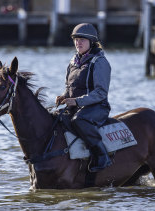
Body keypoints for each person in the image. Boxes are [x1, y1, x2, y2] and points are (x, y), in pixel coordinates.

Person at [55, 23, 112, 172]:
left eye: (82, 40)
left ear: (91, 42)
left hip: (98, 107)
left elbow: (101, 93)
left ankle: (102, 156)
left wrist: (77, 101)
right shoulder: (73, 61)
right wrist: (64, 96)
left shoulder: (99, 62)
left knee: (79, 120)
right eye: (76, 39)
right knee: (54, 118)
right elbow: (69, 87)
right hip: (77, 106)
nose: (78, 43)